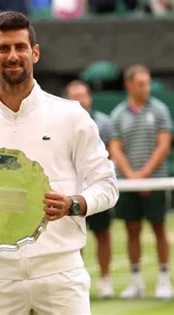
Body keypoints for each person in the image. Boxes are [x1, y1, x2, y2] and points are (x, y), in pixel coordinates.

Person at [0, 11, 118, 314]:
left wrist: (73, 205)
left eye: (20, 47)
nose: (12, 55)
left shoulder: (71, 115)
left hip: (61, 274)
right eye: (3, 48)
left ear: (34, 53)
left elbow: (107, 186)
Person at [109, 64, 173, 299]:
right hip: (128, 183)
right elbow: (115, 147)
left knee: (158, 228)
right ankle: (136, 282)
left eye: (147, 83)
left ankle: (164, 280)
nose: (145, 88)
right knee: (131, 230)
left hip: (155, 182)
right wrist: (133, 176)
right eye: (140, 84)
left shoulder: (160, 110)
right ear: (129, 85)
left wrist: (144, 175)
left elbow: (164, 143)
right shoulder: (117, 113)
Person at [65, 80, 115, 298]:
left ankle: (105, 281)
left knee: (103, 234)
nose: (80, 100)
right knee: (74, 237)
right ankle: (79, 282)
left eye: (83, 95)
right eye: (74, 96)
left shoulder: (103, 122)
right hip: (71, 192)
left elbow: (111, 152)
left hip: (97, 189)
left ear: (90, 97)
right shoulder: (62, 124)